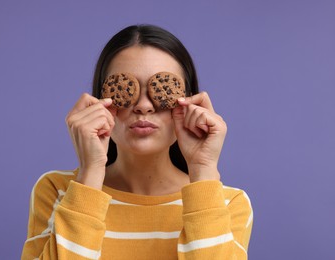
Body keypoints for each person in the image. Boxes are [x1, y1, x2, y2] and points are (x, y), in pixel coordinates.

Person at [21, 24, 253, 259]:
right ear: (101, 101)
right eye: (126, 88)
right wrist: (90, 173)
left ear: (189, 102)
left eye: (160, 91)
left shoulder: (226, 203)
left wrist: (203, 170)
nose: (143, 105)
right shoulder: (58, 191)